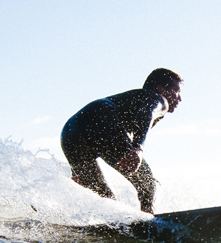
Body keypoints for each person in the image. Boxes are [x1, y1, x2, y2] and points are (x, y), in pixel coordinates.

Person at [60, 68, 182, 214]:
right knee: (149, 184)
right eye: (177, 92)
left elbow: (86, 125)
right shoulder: (158, 99)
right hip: (102, 119)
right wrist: (138, 148)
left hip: (70, 131)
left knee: (106, 201)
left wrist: (77, 170)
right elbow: (146, 113)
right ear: (161, 89)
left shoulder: (133, 100)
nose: (179, 98)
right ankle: (148, 221)